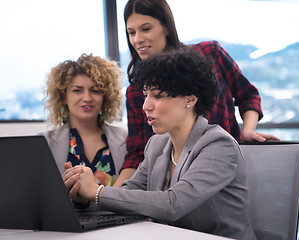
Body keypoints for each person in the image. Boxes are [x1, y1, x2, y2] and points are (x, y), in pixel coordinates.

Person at [63, 49, 257, 239]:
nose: (146, 105)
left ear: (190, 99)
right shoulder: (157, 145)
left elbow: (173, 204)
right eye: (146, 94)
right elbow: (128, 195)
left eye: (157, 95)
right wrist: (85, 198)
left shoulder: (219, 145)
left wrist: (97, 192)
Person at [115, 0, 279, 186]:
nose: (137, 39)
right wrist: (104, 198)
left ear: (166, 27)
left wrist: (248, 130)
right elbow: (137, 155)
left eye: (146, 29)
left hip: (225, 175)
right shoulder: (136, 92)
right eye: (131, 32)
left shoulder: (210, 54)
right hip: (177, 184)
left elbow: (247, 95)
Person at [41, 53, 127, 187]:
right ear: (64, 97)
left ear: (106, 97)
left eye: (95, 91)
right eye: (77, 90)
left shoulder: (126, 139)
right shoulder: (43, 143)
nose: (87, 98)